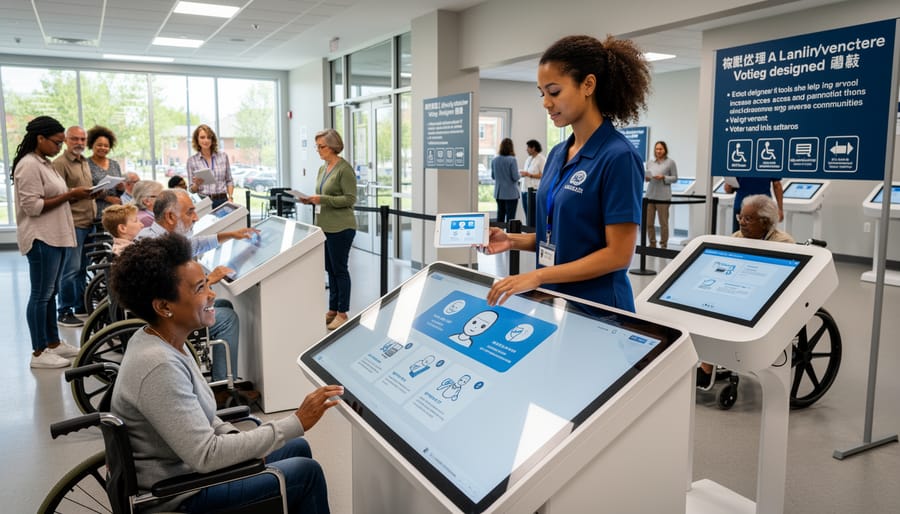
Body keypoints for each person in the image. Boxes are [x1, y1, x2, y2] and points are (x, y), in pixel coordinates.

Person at [109, 233, 342, 513]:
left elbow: (204, 419)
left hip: (188, 473)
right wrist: (296, 421)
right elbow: (206, 455)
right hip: (179, 496)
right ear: (163, 306)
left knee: (296, 448)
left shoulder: (165, 341)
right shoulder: (159, 365)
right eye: (199, 288)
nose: (211, 294)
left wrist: (237, 439)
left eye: (207, 283)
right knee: (306, 472)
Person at [482, 35, 650, 314]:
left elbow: (618, 255)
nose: (546, 103)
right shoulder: (559, 153)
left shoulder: (618, 156)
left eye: (554, 91)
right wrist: (512, 240)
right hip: (555, 303)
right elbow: (560, 236)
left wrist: (537, 276)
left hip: (599, 311)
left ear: (588, 85)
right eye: (542, 93)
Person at [137, 189, 257, 381]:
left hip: (159, 310)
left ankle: (226, 376)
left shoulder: (151, 235)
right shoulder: (160, 248)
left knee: (224, 305)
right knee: (228, 318)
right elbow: (174, 292)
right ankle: (224, 384)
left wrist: (232, 234)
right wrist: (210, 280)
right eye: (190, 212)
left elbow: (196, 244)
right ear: (170, 216)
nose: (195, 217)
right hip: (167, 317)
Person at [12, 116, 93, 368]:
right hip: (41, 237)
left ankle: (53, 343)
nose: (60, 147)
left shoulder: (44, 163)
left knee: (51, 293)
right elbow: (33, 206)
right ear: (40, 139)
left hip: (55, 236)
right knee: (40, 294)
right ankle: (38, 352)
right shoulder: (28, 165)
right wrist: (70, 194)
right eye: (57, 142)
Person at [696, 194, 795, 389]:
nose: (742, 222)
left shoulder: (783, 244)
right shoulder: (736, 238)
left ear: (765, 222)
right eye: (740, 217)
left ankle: (709, 368)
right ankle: (709, 363)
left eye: (748, 219)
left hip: (766, 302)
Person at [300, 129, 357, 331]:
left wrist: (321, 199)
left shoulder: (344, 169)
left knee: (340, 270)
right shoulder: (323, 169)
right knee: (330, 270)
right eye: (317, 147)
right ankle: (332, 309)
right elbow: (322, 195)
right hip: (325, 227)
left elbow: (350, 199)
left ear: (333, 146)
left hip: (342, 227)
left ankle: (343, 312)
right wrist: (310, 200)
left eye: (321, 146)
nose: (318, 150)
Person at [52, 125, 95, 326]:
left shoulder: (84, 162)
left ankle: (80, 305)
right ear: (66, 141)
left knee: (82, 268)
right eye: (75, 139)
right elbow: (55, 194)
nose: (79, 143)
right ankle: (64, 310)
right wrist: (74, 193)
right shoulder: (60, 163)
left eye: (82, 139)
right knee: (70, 269)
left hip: (88, 221)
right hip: (73, 223)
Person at [187, 124, 234, 209]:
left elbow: (229, 180)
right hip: (203, 201)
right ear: (197, 139)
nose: (206, 140)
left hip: (222, 200)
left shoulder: (223, 156)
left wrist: (230, 197)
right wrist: (196, 185)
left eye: (209, 137)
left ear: (212, 140)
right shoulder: (191, 161)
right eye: (202, 137)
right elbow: (191, 190)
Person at [644, 140, 678, 248]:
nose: (658, 151)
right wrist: (647, 178)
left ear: (665, 150)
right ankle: (652, 244)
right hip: (650, 196)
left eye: (660, 149)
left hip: (663, 197)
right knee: (649, 223)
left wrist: (663, 177)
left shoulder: (670, 163)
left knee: (663, 223)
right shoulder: (650, 162)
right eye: (657, 149)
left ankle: (663, 245)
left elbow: (675, 178)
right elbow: (647, 178)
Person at [87, 125, 124, 213]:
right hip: (96, 211)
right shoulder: (85, 164)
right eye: (99, 145)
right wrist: (107, 198)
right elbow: (86, 189)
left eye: (106, 146)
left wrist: (121, 188)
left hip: (116, 211)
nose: (103, 148)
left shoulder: (114, 164)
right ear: (92, 145)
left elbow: (119, 193)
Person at [491, 138, 520, 224]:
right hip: (511, 194)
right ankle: (509, 236)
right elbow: (515, 177)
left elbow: (493, 176)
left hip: (499, 193)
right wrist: (520, 174)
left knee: (500, 216)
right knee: (511, 219)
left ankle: (498, 235)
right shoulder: (512, 160)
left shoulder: (495, 160)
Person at [519, 139, 546, 223]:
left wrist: (528, 174)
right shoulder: (529, 159)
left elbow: (543, 175)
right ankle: (528, 233)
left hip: (534, 191)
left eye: (528, 147)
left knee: (533, 215)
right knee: (527, 214)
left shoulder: (541, 159)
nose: (526, 149)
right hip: (524, 190)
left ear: (533, 148)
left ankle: (533, 233)